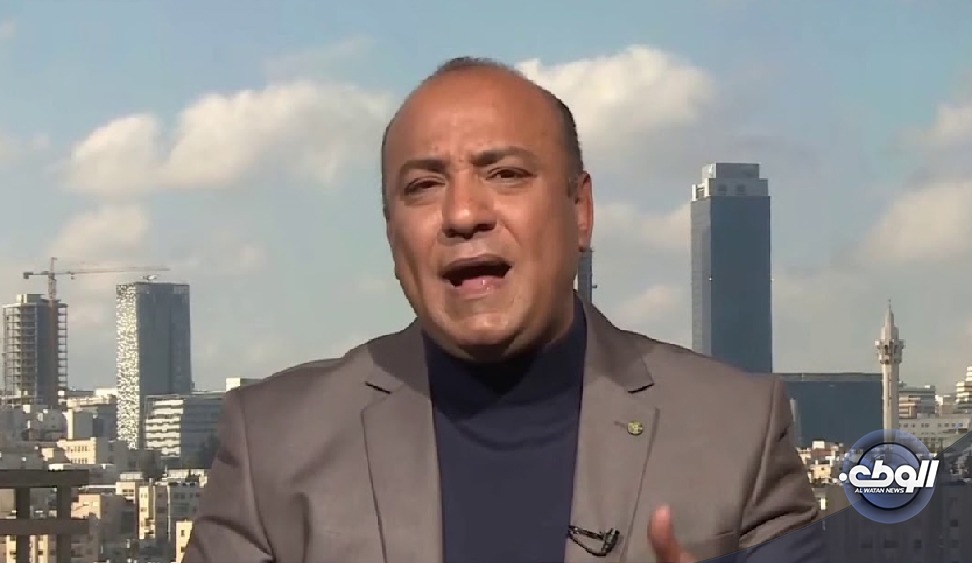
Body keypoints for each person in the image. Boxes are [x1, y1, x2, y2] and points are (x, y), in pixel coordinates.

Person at [182, 57, 824, 563]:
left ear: (580, 211)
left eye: (506, 174)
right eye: (423, 186)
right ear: (391, 234)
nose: (463, 214)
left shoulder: (738, 432)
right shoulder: (272, 445)